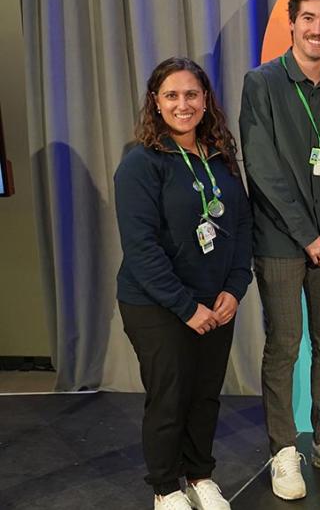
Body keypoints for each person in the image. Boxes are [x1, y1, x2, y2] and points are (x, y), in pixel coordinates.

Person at [239, 0, 320, 501]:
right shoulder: (262, 82)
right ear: (291, 22)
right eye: (308, 18)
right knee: (286, 345)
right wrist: (308, 235)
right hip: (281, 241)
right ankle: (284, 449)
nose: (317, 29)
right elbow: (263, 169)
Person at [114, 57, 252, 510]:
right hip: (156, 304)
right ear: (155, 102)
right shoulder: (140, 162)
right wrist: (187, 308)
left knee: (205, 394)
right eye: (171, 95)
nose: (183, 104)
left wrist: (234, 288)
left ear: (206, 99)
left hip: (216, 300)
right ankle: (166, 487)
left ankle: (199, 475)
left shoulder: (220, 157)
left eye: (191, 94)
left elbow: (243, 228)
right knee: (170, 396)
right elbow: (141, 248)